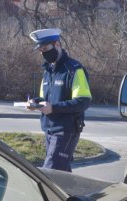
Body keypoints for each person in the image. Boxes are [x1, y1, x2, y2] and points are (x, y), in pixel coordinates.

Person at [28, 28, 92, 172]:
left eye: (45, 48)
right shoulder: (47, 71)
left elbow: (83, 101)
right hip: (49, 129)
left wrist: (54, 108)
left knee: (50, 173)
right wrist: (35, 102)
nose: (43, 53)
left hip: (66, 130)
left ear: (57, 44)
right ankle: (72, 195)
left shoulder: (74, 69)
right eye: (41, 50)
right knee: (61, 174)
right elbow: (45, 98)